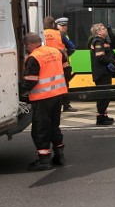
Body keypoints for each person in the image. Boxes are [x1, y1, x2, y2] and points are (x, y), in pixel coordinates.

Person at [20, 32, 68, 171]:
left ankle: (44, 160)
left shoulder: (34, 57)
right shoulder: (57, 51)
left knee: (40, 130)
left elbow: (30, 81)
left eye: (26, 46)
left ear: (30, 44)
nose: (27, 49)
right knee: (54, 126)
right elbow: (67, 70)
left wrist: (18, 93)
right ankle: (60, 156)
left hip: (42, 99)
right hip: (58, 95)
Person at [89, 22, 115, 126]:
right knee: (103, 95)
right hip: (101, 73)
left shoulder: (104, 41)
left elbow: (110, 54)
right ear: (98, 32)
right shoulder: (97, 42)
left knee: (106, 95)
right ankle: (100, 118)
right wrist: (114, 62)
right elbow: (101, 57)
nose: (105, 30)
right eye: (103, 28)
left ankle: (104, 115)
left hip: (105, 72)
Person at [55, 17, 77, 112]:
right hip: (61, 64)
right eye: (62, 25)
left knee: (64, 85)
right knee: (62, 85)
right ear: (57, 26)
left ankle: (65, 105)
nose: (64, 27)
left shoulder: (64, 36)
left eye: (65, 26)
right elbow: (72, 48)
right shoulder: (60, 36)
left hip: (63, 64)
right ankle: (65, 105)